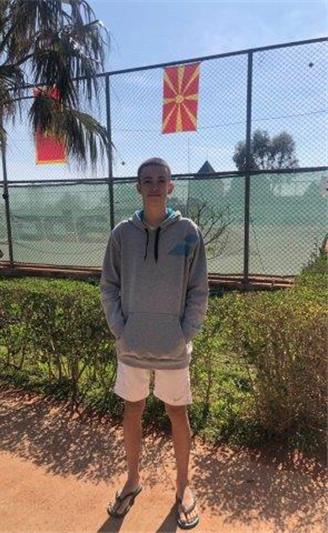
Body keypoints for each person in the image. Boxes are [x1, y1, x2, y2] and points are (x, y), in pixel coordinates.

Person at [100, 157, 209, 529]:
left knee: (177, 413)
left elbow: (198, 289)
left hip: (173, 347)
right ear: (138, 187)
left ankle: (183, 487)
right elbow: (109, 286)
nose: (154, 186)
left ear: (171, 186)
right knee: (132, 410)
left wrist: (185, 332)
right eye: (147, 180)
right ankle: (132, 480)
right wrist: (121, 329)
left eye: (161, 180)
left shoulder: (189, 232)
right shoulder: (121, 234)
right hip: (132, 345)